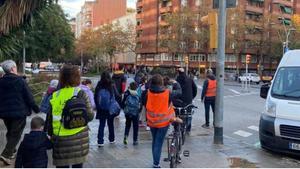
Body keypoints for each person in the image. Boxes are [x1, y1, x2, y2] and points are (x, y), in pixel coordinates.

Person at [45, 64, 94, 168]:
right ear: (77, 77)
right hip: (79, 139)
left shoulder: (55, 95)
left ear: (61, 78)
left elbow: (49, 119)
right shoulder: (81, 93)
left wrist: (50, 135)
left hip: (60, 140)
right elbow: (90, 116)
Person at [0, 60, 40, 165]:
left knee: (10, 132)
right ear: (13, 69)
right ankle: (6, 155)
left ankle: (11, 151)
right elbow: (29, 97)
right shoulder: (20, 81)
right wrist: (36, 108)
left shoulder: (1, 81)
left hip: (4, 113)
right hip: (19, 113)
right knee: (16, 134)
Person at [143, 74, 182, 168]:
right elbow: (179, 92)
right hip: (163, 123)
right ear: (161, 83)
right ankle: (156, 164)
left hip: (152, 122)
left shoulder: (147, 93)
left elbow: (144, 103)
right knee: (158, 142)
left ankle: (155, 162)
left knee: (155, 141)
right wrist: (175, 83)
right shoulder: (167, 93)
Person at [95, 71, 121, 147]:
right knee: (110, 124)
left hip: (101, 108)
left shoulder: (99, 84)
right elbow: (117, 94)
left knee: (101, 124)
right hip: (110, 108)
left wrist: (97, 106)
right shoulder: (112, 84)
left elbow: (95, 95)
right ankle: (111, 139)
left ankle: (100, 141)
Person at [176, 68, 197, 134]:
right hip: (188, 99)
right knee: (189, 113)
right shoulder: (190, 79)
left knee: (178, 113)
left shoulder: (177, 80)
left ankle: (178, 127)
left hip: (179, 100)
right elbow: (195, 89)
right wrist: (192, 97)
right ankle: (188, 128)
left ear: (178, 73)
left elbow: (175, 90)